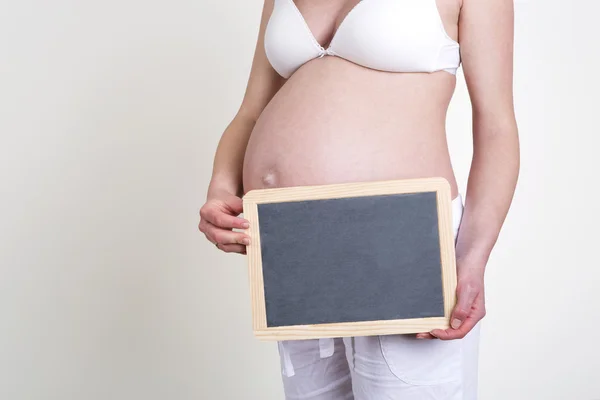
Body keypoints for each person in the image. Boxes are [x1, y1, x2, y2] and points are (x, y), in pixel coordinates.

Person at [199, 0, 519, 398]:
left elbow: (496, 125)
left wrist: (472, 259)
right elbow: (250, 111)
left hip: (404, 245)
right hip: (294, 250)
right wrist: (221, 187)